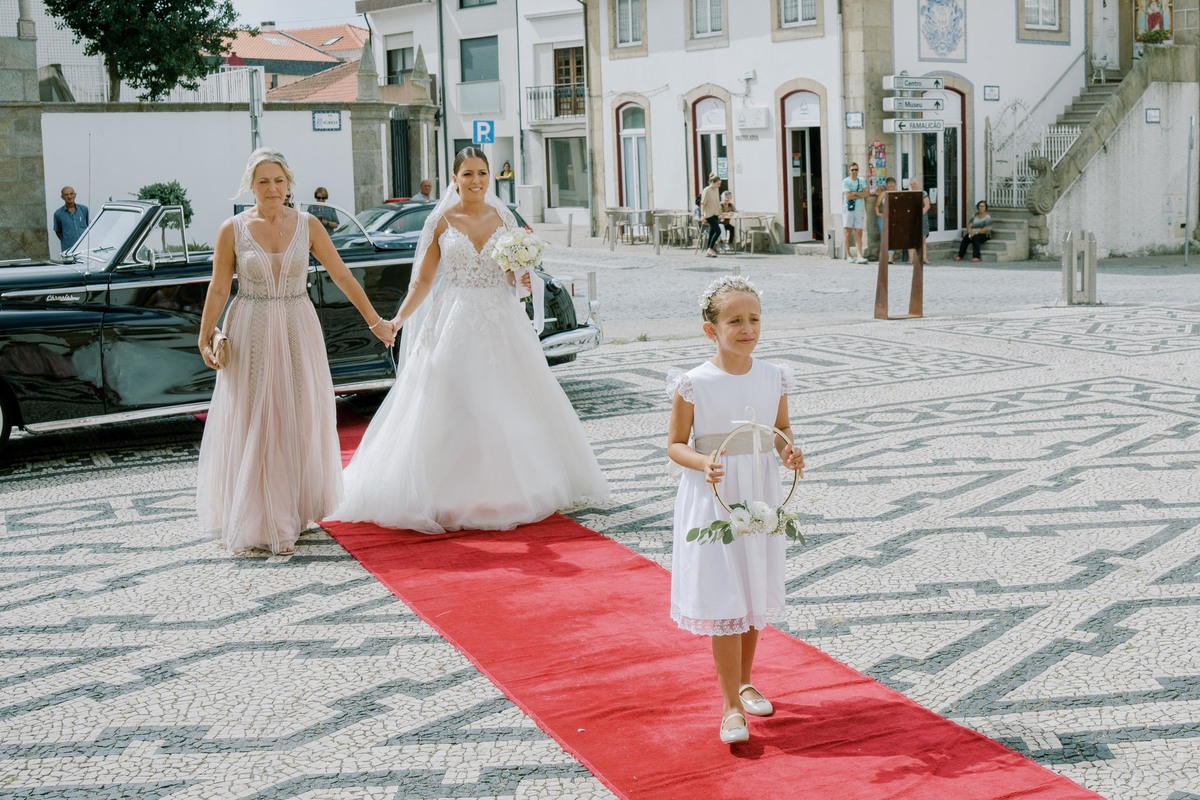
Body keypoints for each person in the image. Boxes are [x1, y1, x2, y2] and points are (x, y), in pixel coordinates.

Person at [330, 147, 608, 533]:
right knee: (458, 401)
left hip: (499, 319)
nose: (476, 180)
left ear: (489, 175)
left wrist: (522, 274)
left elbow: (512, 276)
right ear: (455, 178)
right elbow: (424, 281)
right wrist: (397, 319)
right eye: (468, 174)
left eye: (482, 172)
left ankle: (509, 490)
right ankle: (450, 493)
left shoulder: (503, 216)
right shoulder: (441, 221)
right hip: (454, 319)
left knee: (506, 403)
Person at [195, 147, 395, 556]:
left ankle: (290, 507)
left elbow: (341, 274)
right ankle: (261, 514)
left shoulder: (309, 225)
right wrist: (204, 335)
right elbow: (218, 287)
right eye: (263, 181)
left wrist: (375, 320)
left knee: (297, 413)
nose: (272, 188)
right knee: (256, 417)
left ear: (290, 184)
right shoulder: (230, 229)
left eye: (279, 180)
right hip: (249, 325)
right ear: (250, 185)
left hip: (297, 326)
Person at [667, 275, 805, 745]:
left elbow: (780, 430)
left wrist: (790, 454)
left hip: (760, 494)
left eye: (754, 319)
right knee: (726, 595)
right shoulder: (694, 383)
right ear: (711, 329)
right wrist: (704, 462)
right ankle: (729, 706)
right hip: (716, 496)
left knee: (750, 590)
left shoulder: (774, 377)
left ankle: (745, 682)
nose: (747, 329)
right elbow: (674, 445)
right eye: (735, 321)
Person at [873, 177, 906, 264]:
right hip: (883, 218)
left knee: (892, 237)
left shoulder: (898, 194)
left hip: (894, 219)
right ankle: (883, 256)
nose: (891, 185)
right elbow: (877, 205)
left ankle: (890, 258)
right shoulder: (883, 193)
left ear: (895, 184)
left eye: (892, 183)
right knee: (884, 237)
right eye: (889, 183)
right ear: (886, 185)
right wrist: (878, 214)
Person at [842, 164, 868, 263]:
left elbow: (866, 193)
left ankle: (859, 255)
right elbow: (848, 196)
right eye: (852, 169)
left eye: (856, 169)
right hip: (848, 208)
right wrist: (859, 194)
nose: (854, 171)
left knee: (859, 232)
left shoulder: (861, 180)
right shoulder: (846, 181)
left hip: (859, 209)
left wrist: (854, 193)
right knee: (847, 232)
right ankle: (848, 255)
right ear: (849, 170)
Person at [53, 186, 89, 253]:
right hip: (68, 249)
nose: (69, 197)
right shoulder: (58, 214)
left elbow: (88, 226)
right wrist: (67, 240)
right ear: (62, 197)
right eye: (66, 195)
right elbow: (58, 231)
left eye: (71, 194)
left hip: (85, 248)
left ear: (75, 195)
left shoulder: (84, 209)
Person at [907, 178, 931, 264]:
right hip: (911, 219)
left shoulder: (923, 193)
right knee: (911, 239)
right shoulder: (908, 194)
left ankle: (924, 258)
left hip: (922, 218)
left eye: (914, 184)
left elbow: (927, 206)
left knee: (922, 239)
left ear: (918, 184)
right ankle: (911, 259)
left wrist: (918, 215)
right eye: (911, 184)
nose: (913, 185)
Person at [700, 174, 723, 258]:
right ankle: (710, 249)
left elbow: (718, 202)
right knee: (718, 231)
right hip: (709, 214)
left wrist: (721, 213)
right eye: (718, 184)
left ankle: (708, 250)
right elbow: (702, 203)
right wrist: (702, 215)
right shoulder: (706, 190)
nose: (719, 185)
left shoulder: (716, 190)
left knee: (712, 232)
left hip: (715, 213)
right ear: (713, 182)